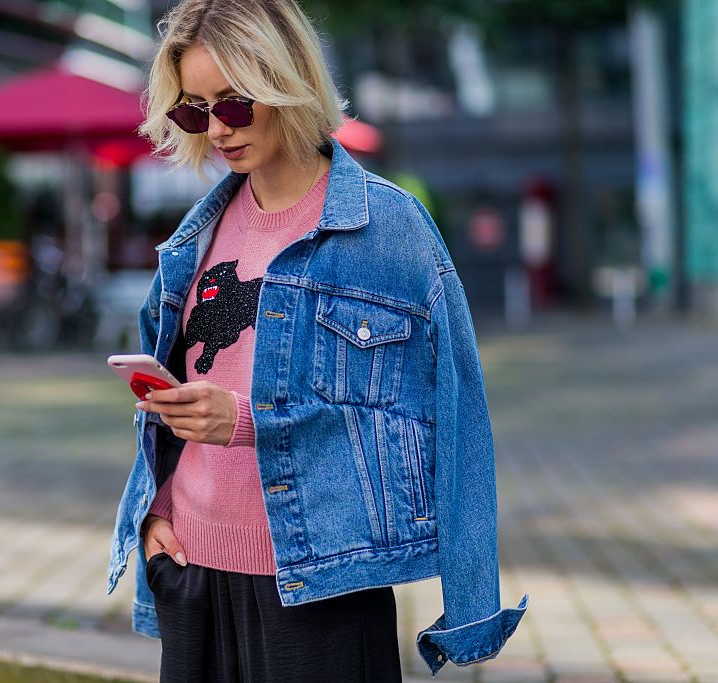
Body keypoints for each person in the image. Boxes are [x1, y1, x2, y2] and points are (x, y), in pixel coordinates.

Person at [107, 0, 528, 679]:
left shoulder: (391, 231)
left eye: (235, 105)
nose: (216, 129)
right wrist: (153, 516)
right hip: (194, 575)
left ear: (284, 82)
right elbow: (169, 415)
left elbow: (457, 418)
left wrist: (471, 604)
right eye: (194, 110)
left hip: (325, 587)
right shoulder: (195, 235)